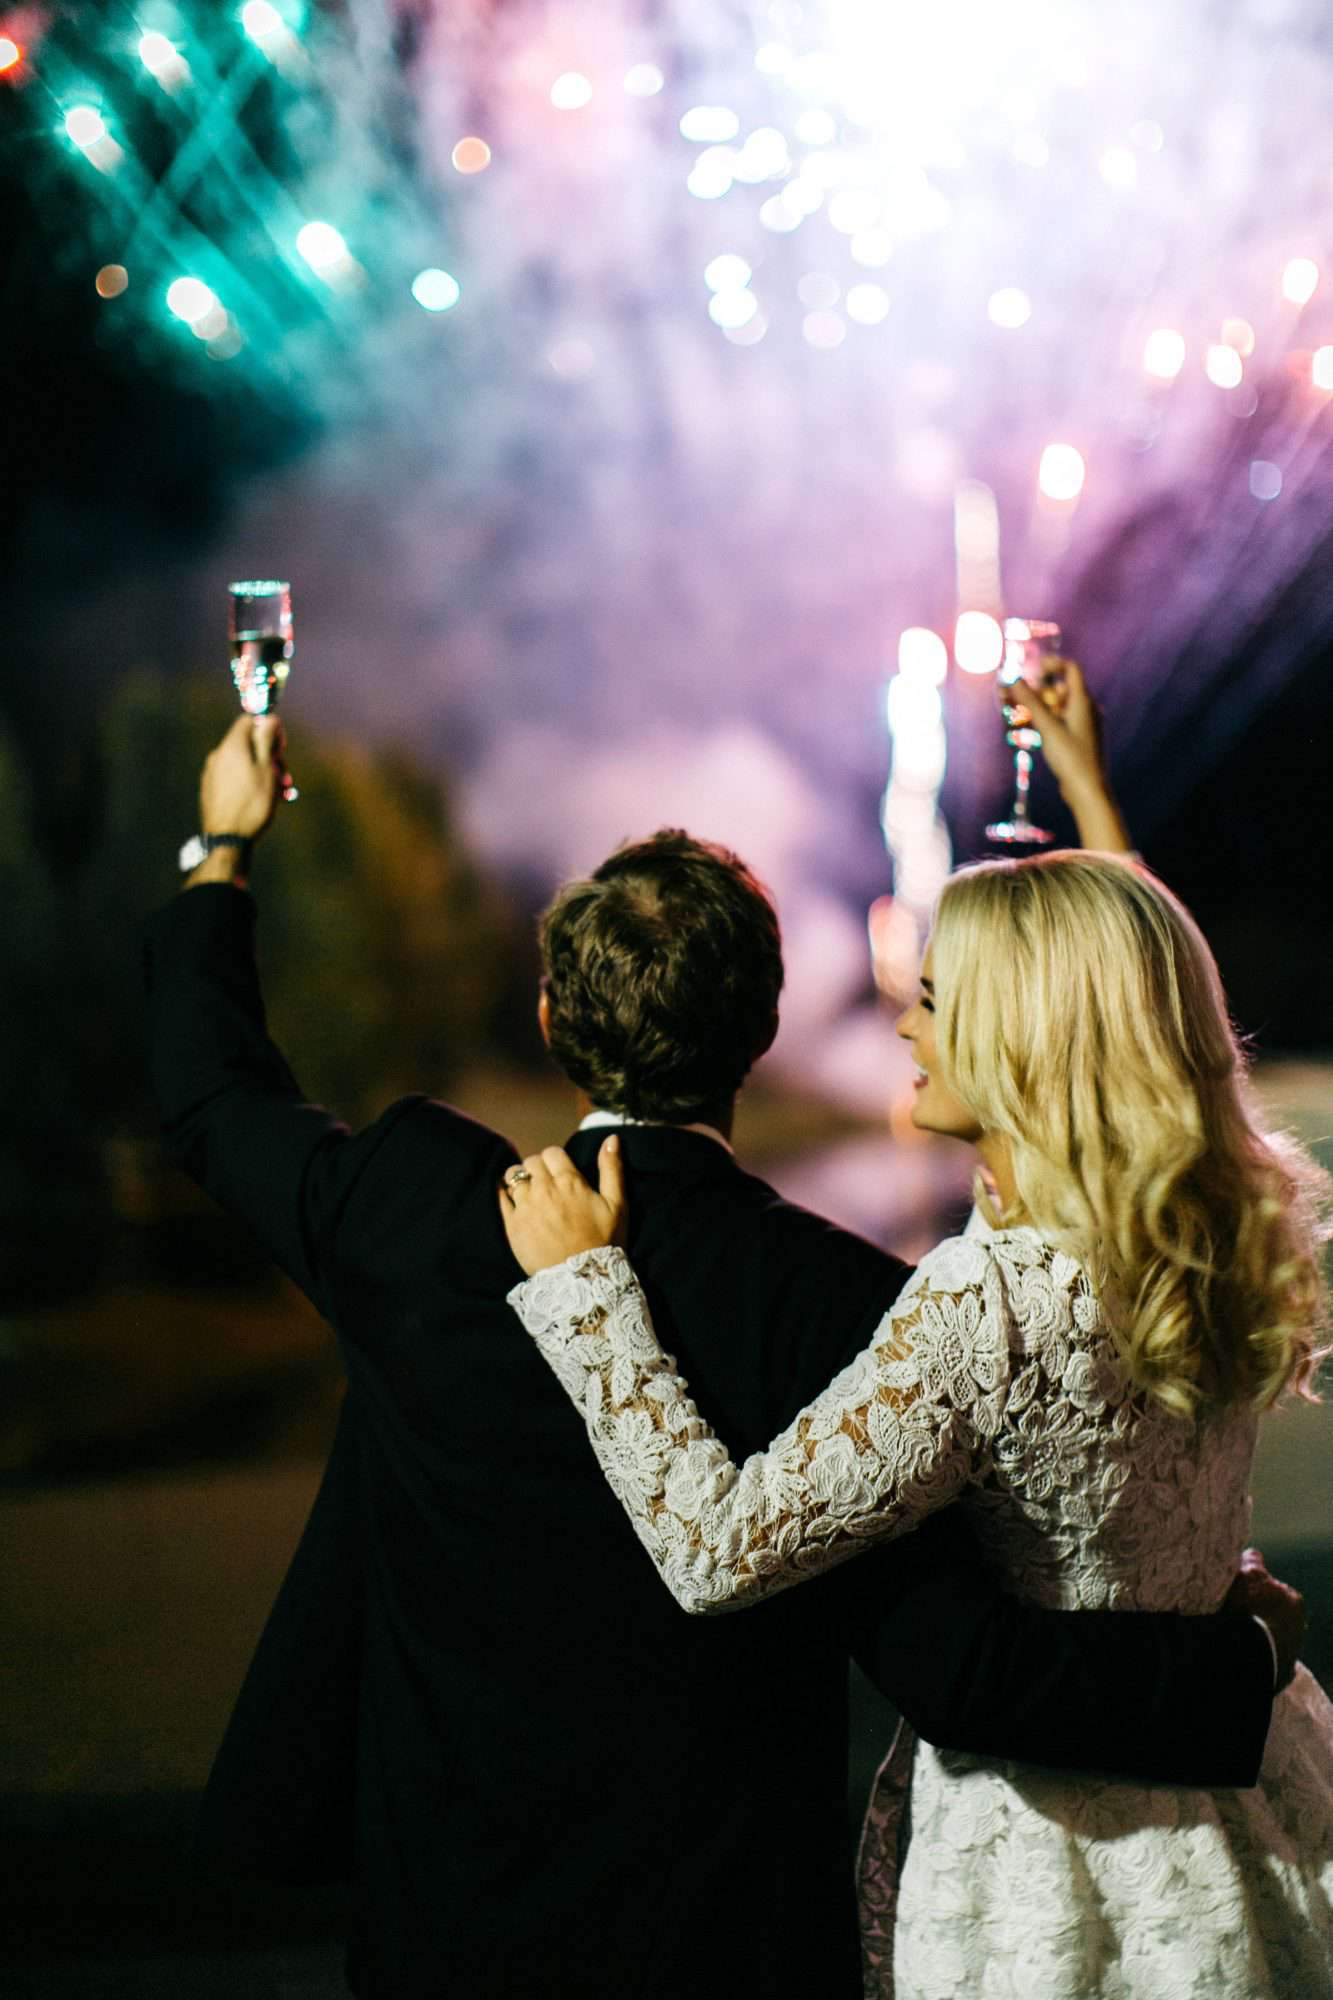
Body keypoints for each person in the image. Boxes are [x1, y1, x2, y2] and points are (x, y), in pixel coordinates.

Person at [142, 680, 1296, 2000]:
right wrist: (1234, 1664)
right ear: (758, 1034)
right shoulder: (836, 1302)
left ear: (547, 1021)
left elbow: (210, 1089)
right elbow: (958, 1662)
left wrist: (219, 850)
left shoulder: (409, 1207)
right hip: (725, 1933)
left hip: (443, 1918)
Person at [500, 840, 1333, 1996]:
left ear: (1018, 1034)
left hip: (1056, 1849)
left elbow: (713, 1545)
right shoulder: (1201, 1243)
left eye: (934, 1000)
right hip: (1250, 1782)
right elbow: (1131, 982)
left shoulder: (979, 1302)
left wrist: (585, 1294)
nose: (905, 1026)